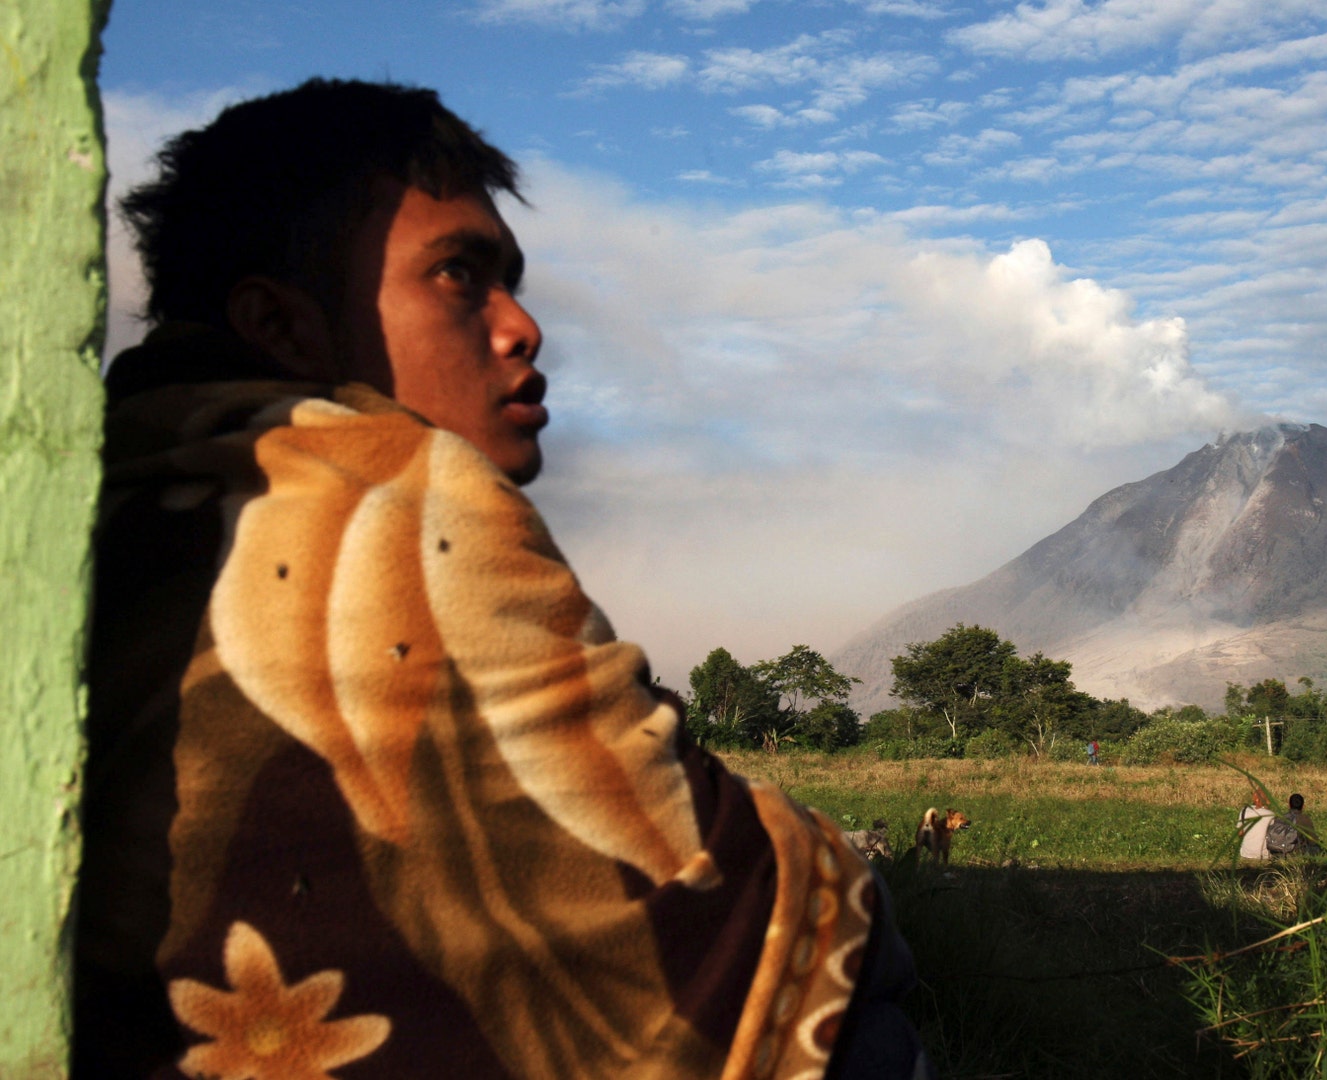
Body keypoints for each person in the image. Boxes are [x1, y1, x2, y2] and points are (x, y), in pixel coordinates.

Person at [76, 78, 922, 1080]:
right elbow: (718, 895)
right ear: (280, 324)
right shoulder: (399, 493)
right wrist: (844, 881)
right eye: (459, 276)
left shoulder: (108, 490)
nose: (522, 327)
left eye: (511, 282)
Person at [1266, 792, 1323, 858]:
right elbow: (1313, 841)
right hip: (1293, 853)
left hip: (1276, 851)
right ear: (1303, 806)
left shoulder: (1280, 818)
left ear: (1289, 805)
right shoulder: (1304, 819)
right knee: (1316, 848)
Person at [1238, 788, 1276, 860]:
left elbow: (1240, 833)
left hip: (1245, 854)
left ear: (1254, 799)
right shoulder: (1270, 815)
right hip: (1263, 855)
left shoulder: (1244, 810)